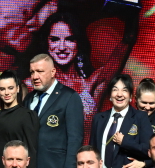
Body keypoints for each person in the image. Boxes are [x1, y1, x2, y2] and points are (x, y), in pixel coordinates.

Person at [26, 11, 135, 142]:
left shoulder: (92, 84)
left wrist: (131, 14)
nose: (62, 47)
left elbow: (128, 39)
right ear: (46, 43)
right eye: (54, 39)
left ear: (79, 43)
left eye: (70, 39)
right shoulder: (31, 85)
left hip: (86, 154)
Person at [90, 74, 153, 168]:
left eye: (124, 90)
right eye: (115, 90)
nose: (119, 94)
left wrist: (124, 142)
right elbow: (92, 149)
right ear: (110, 95)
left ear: (131, 96)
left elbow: (149, 149)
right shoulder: (99, 118)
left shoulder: (140, 117)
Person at [0, 70, 39, 168]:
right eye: (2, 89)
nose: (7, 93)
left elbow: (31, 151)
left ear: (18, 89)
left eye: (10, 88)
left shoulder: (27, 116)